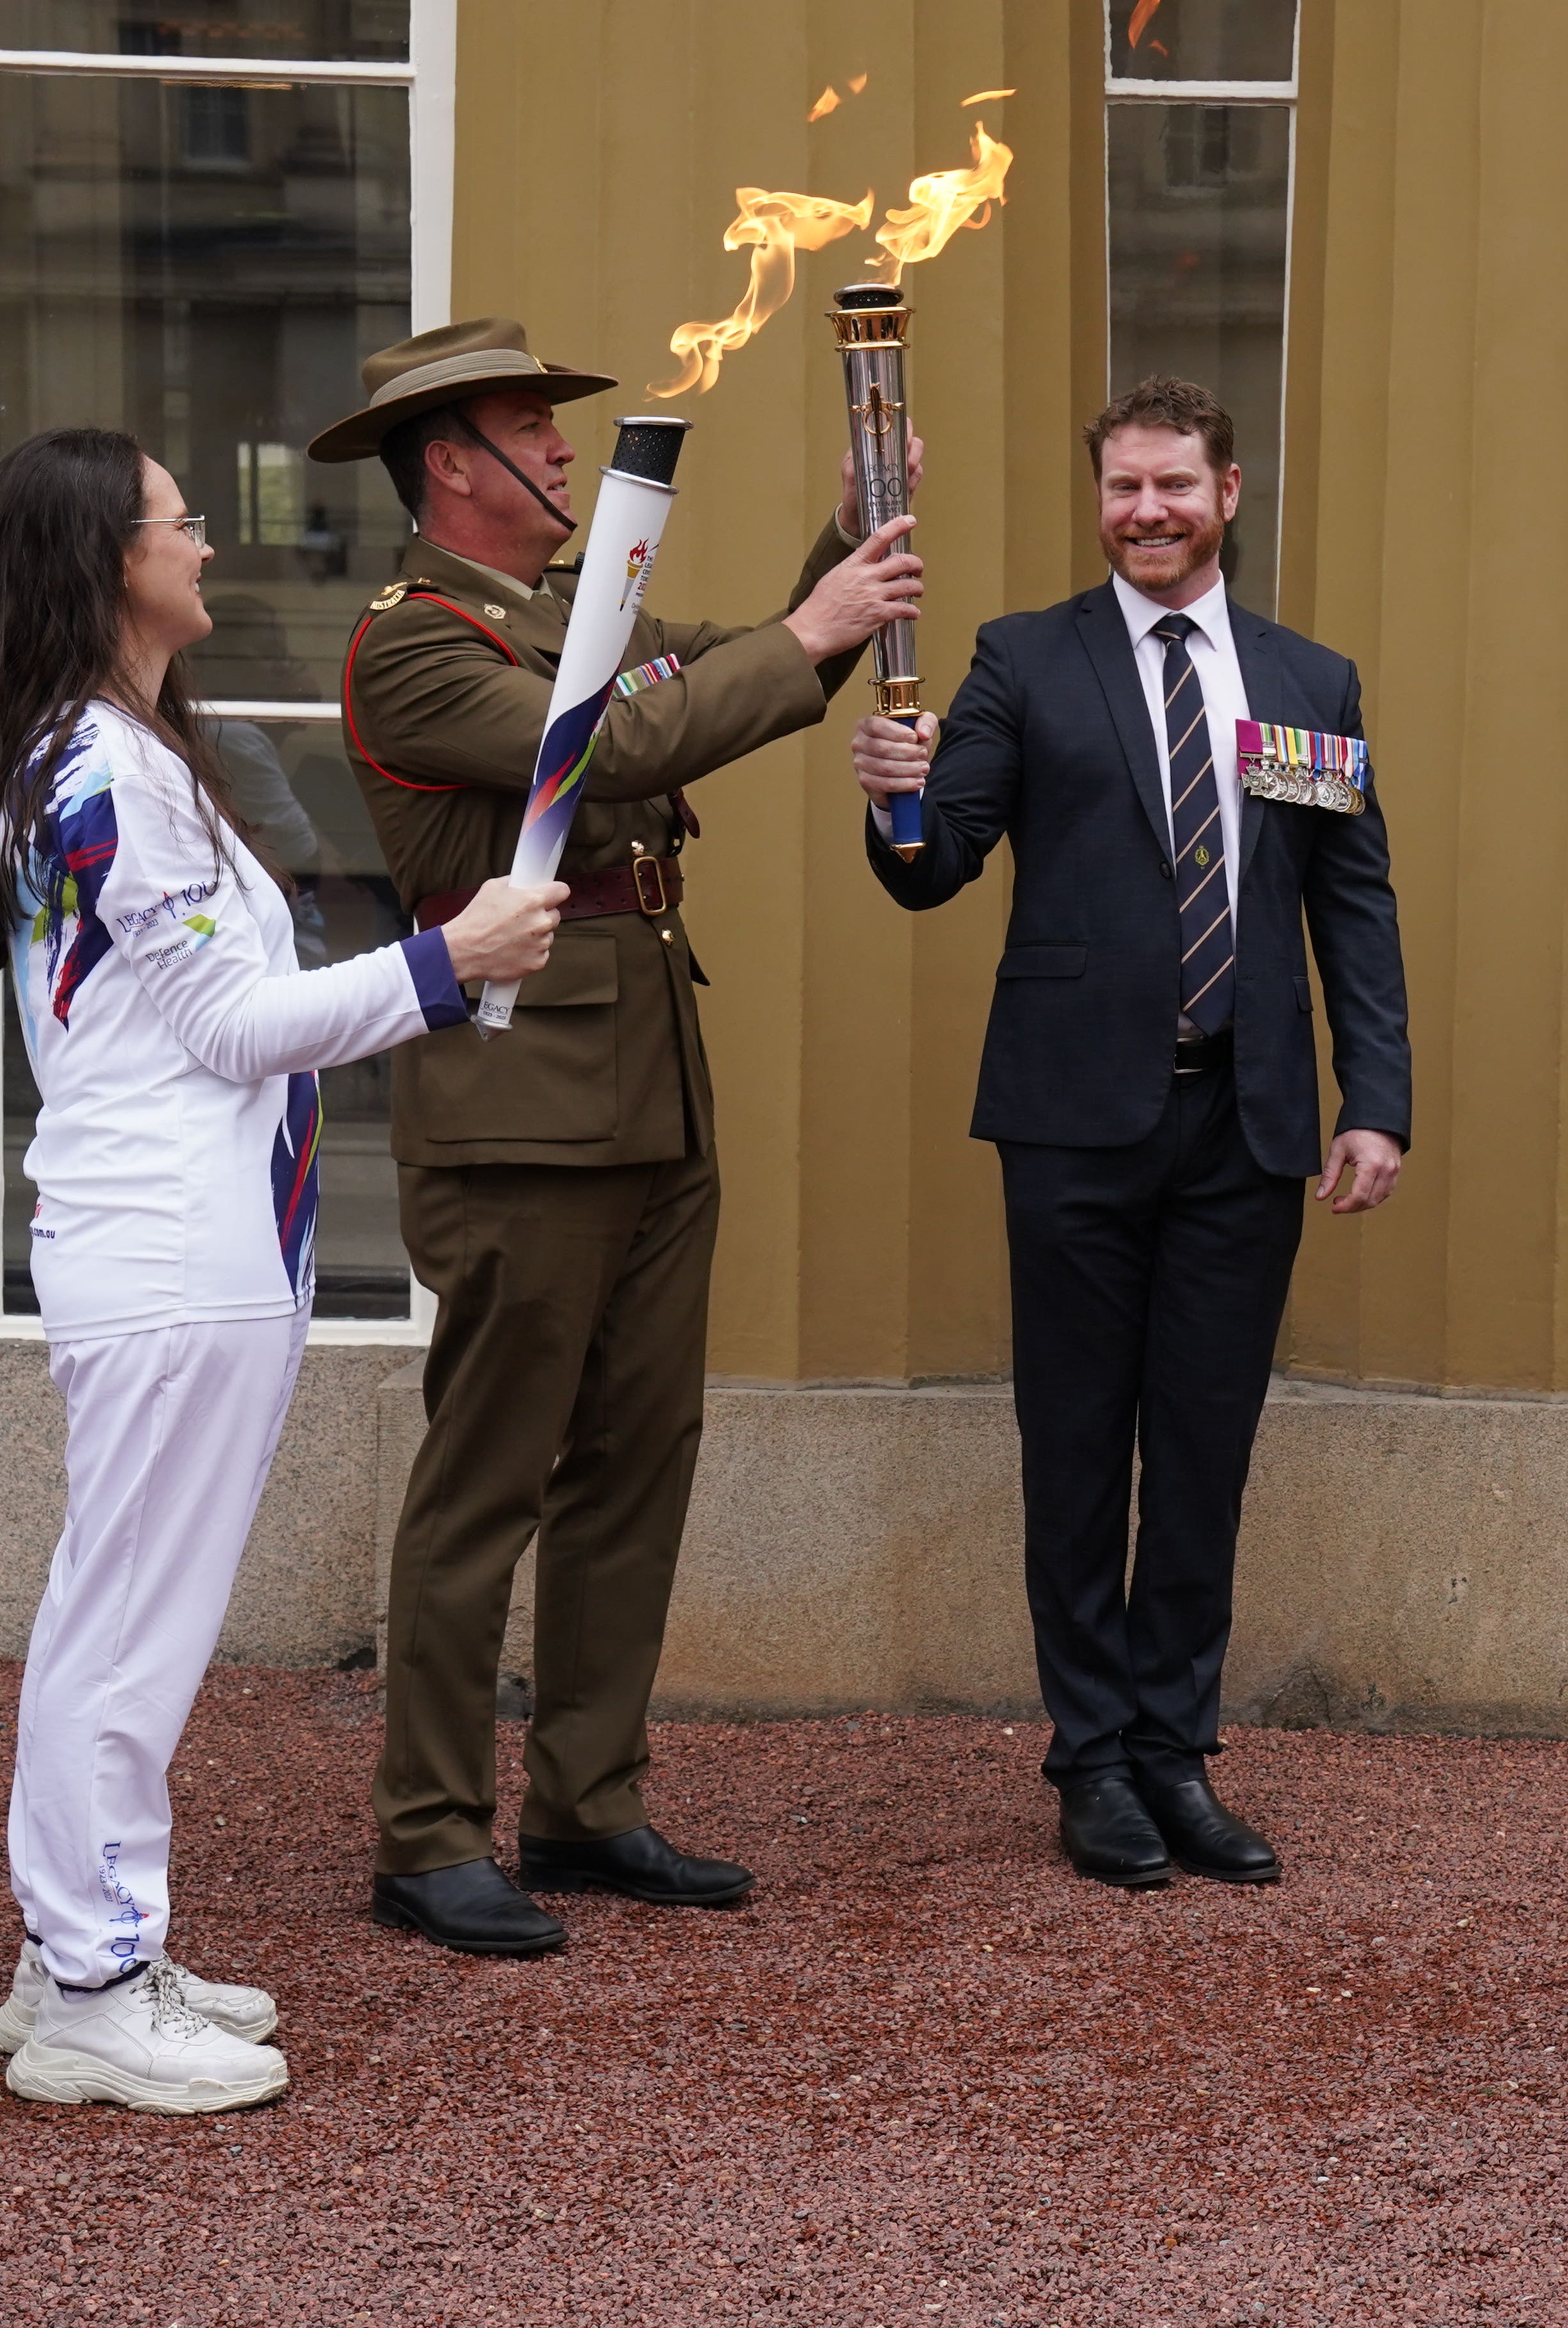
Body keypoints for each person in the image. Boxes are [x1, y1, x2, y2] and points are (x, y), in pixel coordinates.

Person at [0, 426, 563, 2112]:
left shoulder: (121, 752)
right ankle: (87, 1982)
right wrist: (446, 960)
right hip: (173, 1251)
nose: (207, 544)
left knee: (121, 1617)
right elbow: (227, 1025)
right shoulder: (101, 774)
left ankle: (89, 1943)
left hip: (197, 1246)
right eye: (182, 522)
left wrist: (435, 963)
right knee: (127, 1631)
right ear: (105, 565)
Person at [312, 316, 923, 1956]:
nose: (568, 450)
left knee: (636, 1463)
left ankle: (585, 1801)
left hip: (647, 1079)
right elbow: (622, 742)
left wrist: (847, 540)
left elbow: (729, 671)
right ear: (453, 460)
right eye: (534, 425)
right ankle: (427, 1831)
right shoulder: (415, 642)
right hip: (518, 1109)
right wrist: (815, 621)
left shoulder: (565, 616)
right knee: (487, 1477)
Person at [847, 378, 1412, 1890]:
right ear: (1097, 502)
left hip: (1248, 1123)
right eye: (1122, 489)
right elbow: (936, 862)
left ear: (1229, 493)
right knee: (1082, 1448)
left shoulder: (1303, 683)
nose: (1146, 512)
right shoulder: (1025, 662)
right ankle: (1089, 1759)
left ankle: (1176, 1750)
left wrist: (1381, 1101)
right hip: (1075, 1124)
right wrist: (897, 803)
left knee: (1207, 1453)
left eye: (1174, 486)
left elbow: (1346, 899)